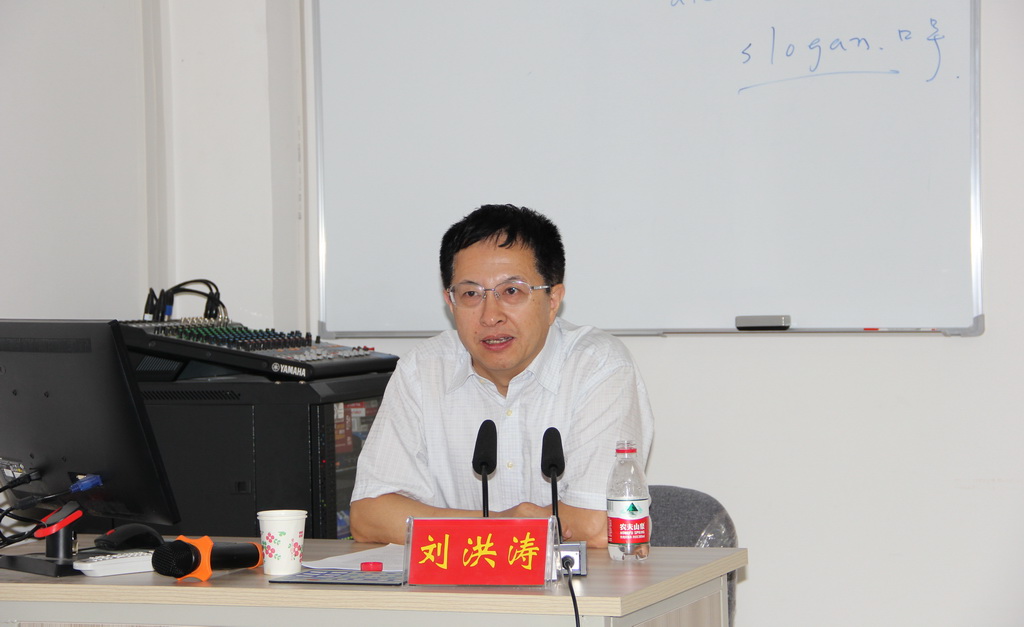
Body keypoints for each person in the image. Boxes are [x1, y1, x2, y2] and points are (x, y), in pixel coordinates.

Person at [350, 204, 655, 546]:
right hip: (456, 580)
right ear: (450, 303)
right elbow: (368, 517)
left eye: (511, 291)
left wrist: (463, 530)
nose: (490, 316)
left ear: (553, 299)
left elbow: (598, 524)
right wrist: (498, 526)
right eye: (470, 294)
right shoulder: (422, 370)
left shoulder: (598, 366)